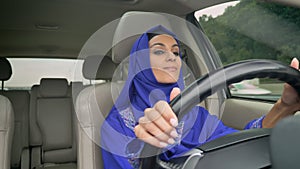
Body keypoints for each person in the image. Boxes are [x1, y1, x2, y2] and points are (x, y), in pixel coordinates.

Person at [100, 25, 300, 169]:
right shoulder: (116, 124)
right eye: (159, 51)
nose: (172, 57)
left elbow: (241, 142)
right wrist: (145, 146)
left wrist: (285, 106)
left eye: (177, 52)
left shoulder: (196, 115)